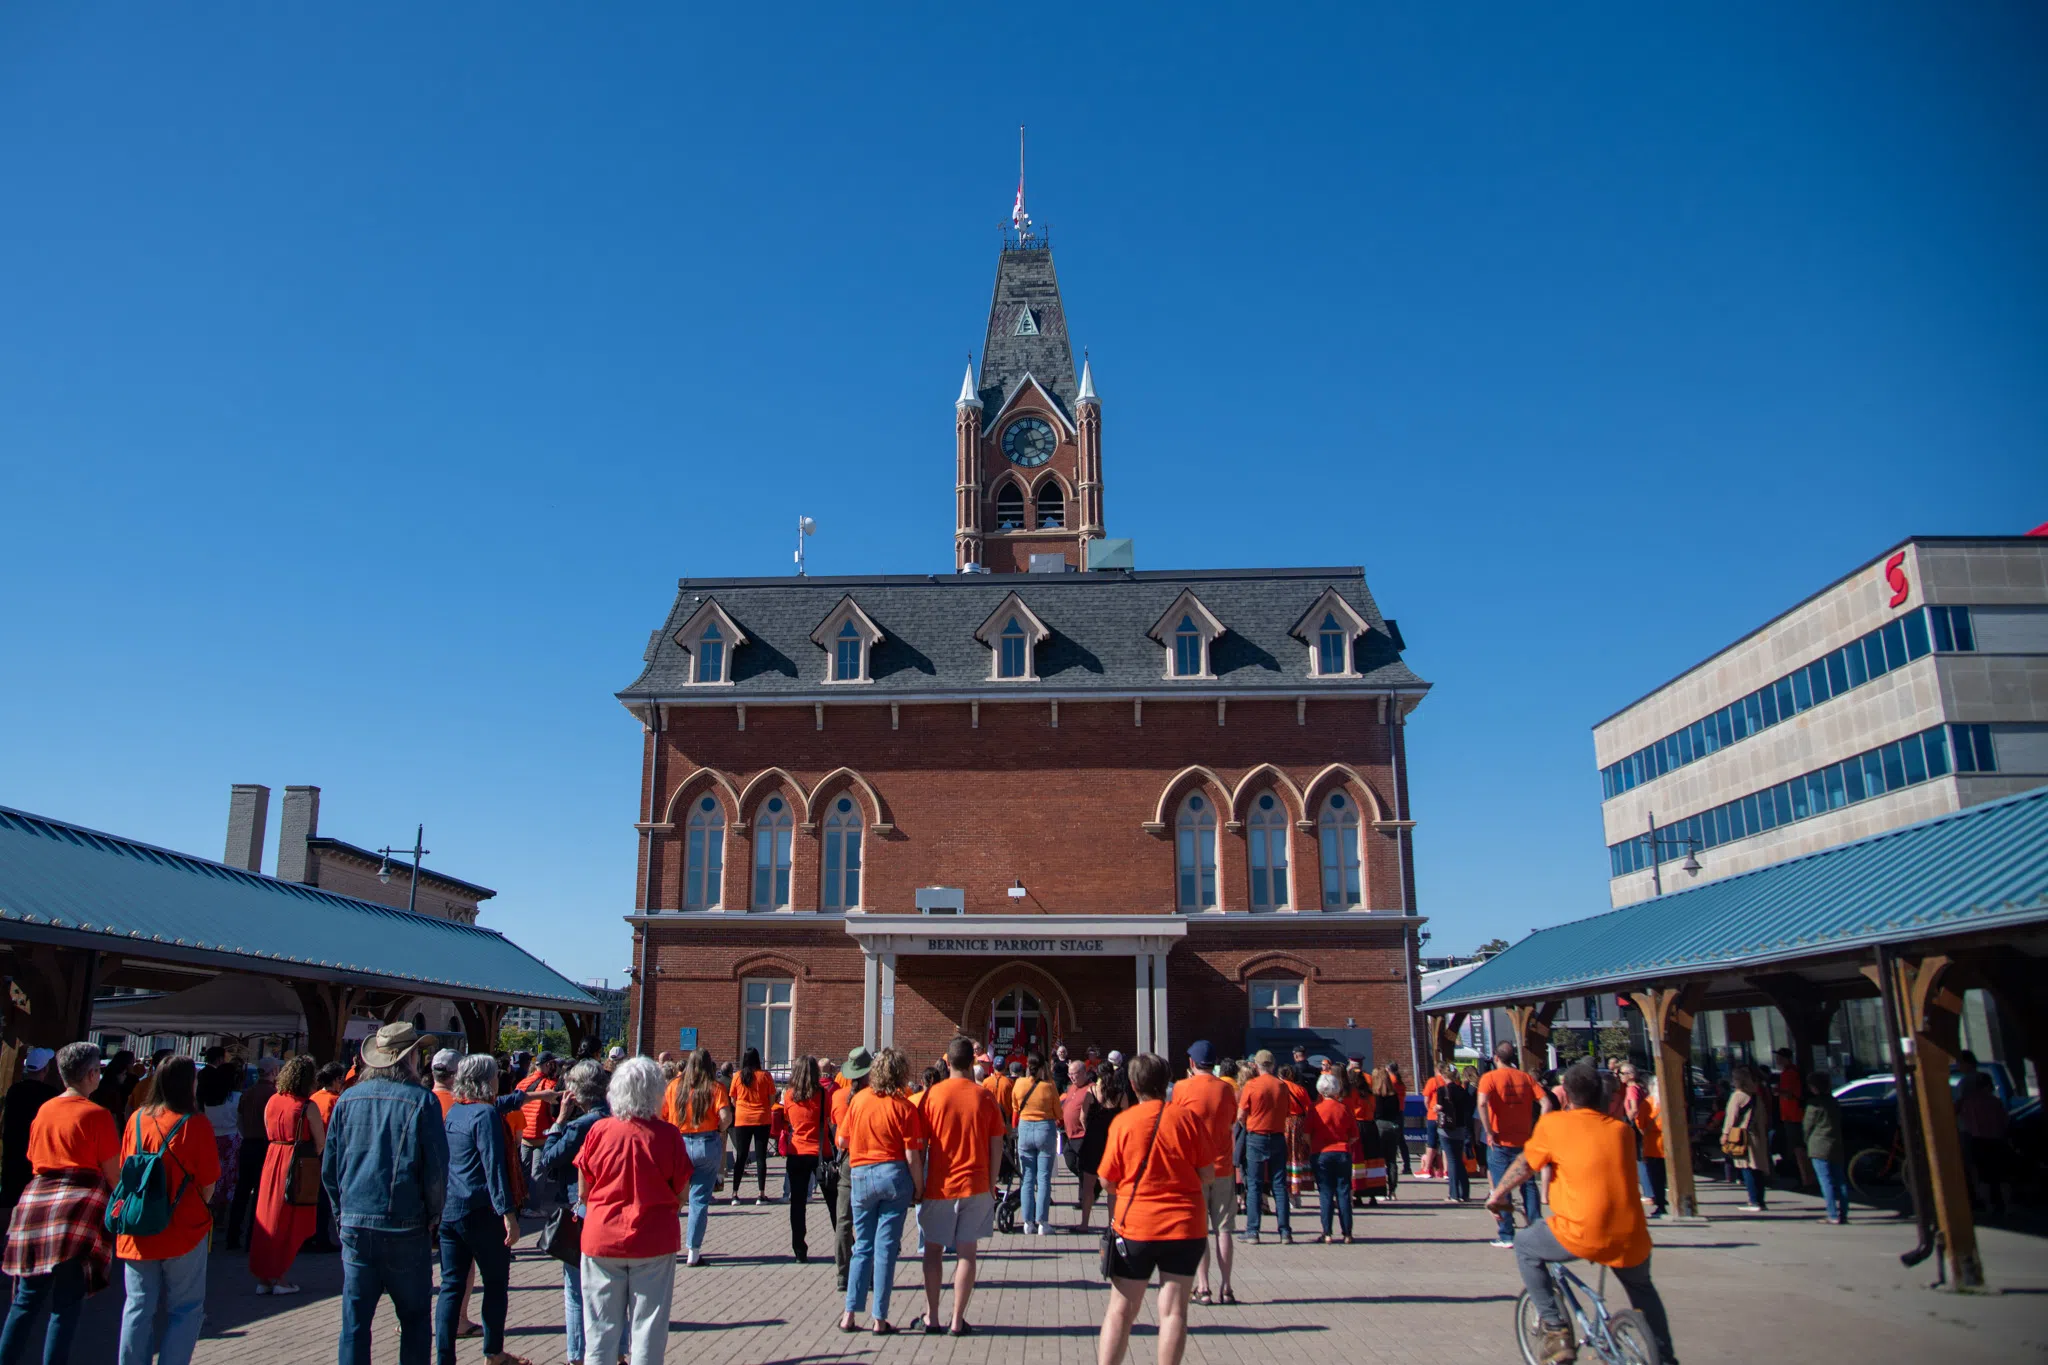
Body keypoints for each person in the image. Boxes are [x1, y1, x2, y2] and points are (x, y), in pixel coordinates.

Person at [1487, 1063, 1676, 1365]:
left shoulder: (1556, 1125)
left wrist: (1497, 1194)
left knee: (1524, 1245)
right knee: (1642, 1290)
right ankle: (1664, 1357)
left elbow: (1526, 1164)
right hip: (1631, 1235)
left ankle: (1555, 1329)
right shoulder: (1622, 1132)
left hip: (1581, 1231)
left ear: (1568, 1098)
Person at [322, 1022, 449, 1365]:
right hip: (405, 1222)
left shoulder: (348, 1099)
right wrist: (433, 1218)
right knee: (414, 1318)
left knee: (355, 1321)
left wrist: (341, 1213)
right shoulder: (422, 1102)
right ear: (410, 1058)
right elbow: (436, 1170)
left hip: (356, 1221)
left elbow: (330, 1168)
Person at [1095, 1053, 1220, 1365]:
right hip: (1185, 1226)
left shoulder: (1124, 1122)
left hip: (1136, 1226)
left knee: (1121, 1311)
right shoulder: (1187, 1119)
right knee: (1175, 1311)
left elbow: (1106, 1180)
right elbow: (1208, 1173)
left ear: (1134, 1085)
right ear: (1167, 1083)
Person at [0, 1041, 119, 1365]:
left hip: (35, 1206)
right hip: (76, 1213)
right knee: (65, 1306)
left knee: (25, 1302)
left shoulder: (45, 1110)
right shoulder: (97, 1115)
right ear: (92, 1074)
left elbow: (33, 1158)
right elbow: (113, 1174)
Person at [576, 1057, 689, 1365]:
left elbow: (584, 1190)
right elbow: (682, 1194)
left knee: (599, 1330)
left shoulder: (599, 1131)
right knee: (649, 1329)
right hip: (653, 1238)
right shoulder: (668, 1135)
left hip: (601, 1238)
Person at [113, 1055, 220, 1365]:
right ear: (189, 1084)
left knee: (137, 1307)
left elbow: (124, 1170)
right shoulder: (195, 1123)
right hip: (182, 1227)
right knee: (185, 1308)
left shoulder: (135, 1119)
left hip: (137, 1225)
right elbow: (209, 1183)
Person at [434, 1054, 527, 1365]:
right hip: (481, 1209)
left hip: (451, 1209)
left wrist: (531, 1095)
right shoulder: (484, 1115)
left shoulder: (456, 1111)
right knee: (496, 1283)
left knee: (451, 1286)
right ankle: (493, 1352)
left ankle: (445, 1356)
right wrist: (509, 1214)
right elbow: (493, 1168)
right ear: (487, 1081)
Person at [914, 1038, 1005, 1336]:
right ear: (971, 1064)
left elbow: (920, 1146)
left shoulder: (931, 1097)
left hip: (939, 1185)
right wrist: (992, 1183)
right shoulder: (985, 1097)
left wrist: (919, 1181)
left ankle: (933, 1317)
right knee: (967, 1253)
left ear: (948, 1062)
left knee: (932, 1251)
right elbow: (997, 1145)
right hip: (976, 1183)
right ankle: (957, 1320)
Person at [837, 1048, 926, 1336]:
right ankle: (879, 1317)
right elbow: (913, 1154)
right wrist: (919, 1187)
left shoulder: (859, 1100)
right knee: (886, 1249)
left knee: (861, 1245)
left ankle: (849, 1313)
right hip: (893, 1174)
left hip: (861, 1174)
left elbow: (841, 1140)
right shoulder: (905, 1107)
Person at [539, 1060, 609, 1365]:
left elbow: (549, 1159)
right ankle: (615, 1351)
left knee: (575, 1289)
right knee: (609, 1287)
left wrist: (559, 1122)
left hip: (579, 1205)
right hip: (608, 1206)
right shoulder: (613, 1118)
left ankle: (577, 1355)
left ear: (577, 1093)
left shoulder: (581, 1125)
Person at [1168, 1042, 1237, 1306]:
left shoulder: (1182, 1088)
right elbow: (1232, 1120)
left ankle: (1204, 1286)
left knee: (1199, 1229)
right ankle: (1227, 1287)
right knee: (1224, 1228)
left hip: (1194, 1167)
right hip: (1223, 1167)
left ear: (1193, 1063)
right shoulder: (1226, 1089)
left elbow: (1176, 1123)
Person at [249, 1055, 323, 1295]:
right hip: (296, 1163)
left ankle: (263, 1277)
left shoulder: (273, 1100)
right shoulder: (306, 1106)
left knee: (267, 1217)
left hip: (272, 1158)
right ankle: (279, 1277)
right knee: (288, 1220)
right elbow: (320, 1142)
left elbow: (266, 1128)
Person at [662, 1050, 729, 1267]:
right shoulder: (715, 1087)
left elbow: (662, 1115)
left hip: (678, 1142)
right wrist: (719, 1128)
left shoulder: (674, 1086)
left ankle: (668, 1248)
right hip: (706, 1142)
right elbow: (726, 1117)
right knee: (699, 1199)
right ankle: (694, 1250)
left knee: (673, 1198)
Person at [1477, 1043, 1542, 1247]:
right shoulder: (1526, 1077)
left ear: (1496, 1057)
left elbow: (1481, 1102)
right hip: (1523, 1138)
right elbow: (1546, 1102)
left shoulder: (1489, 1078)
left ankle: (1506, 1234)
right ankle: (1535, 1229)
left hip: (1499, 1139)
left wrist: (1488, 1130)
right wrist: (1541, 1128)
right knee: (1529, 1185)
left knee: (1501, 1186)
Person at [1236, 1050, 1294, 1244]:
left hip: (1256, 1136)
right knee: (1279, 1185)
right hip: (1277, 1136)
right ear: (1273, 1065)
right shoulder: (1282, 1086)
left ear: (1256, 1065)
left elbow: (1241, 1115)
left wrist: (1250, 1124)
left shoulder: (1252, 1085)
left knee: (1254, 1184)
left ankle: (1253, 1231)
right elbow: (1287, 1111)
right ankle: (1285, 1231)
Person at [224, 1057, 279, 1251]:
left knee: (242, 1190)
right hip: (264, 1145)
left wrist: (246, 1133)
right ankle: (252, 1237)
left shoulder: (247, 1094)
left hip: (248, 1143)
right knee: (259, 1193)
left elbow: (239, 1119)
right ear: (273, 1072)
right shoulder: (273, 1095)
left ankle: (233, 1235)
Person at [828, 1047, 870, 1293]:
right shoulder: (873, 1097)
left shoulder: (838, 1097)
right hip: (869, 1158)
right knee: (869, 1219)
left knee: (844, 1220)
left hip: (847, 1159)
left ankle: (842, 1274)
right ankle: (869, 1272)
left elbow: (838, 1133)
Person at [778, 1056, 826, 1262]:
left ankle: (799, 1248)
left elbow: (788, 1119)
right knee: (832, 1201)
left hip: (796, 1151)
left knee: (797, 1204)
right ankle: (846, 1245)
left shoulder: (789, 1095)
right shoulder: (821, 1094)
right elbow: (826, 1121)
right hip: (818, 1151)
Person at [0, 1049, 59, 1215]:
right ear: (45, 1070)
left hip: (13, 1149)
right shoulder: (50, 1094)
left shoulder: (14, 1090)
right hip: (37, 1152)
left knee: (10, 1196)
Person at [1011, 1053, 1059, 1236]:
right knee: (1044, 1177)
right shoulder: (1049, 1086)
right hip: (1044, 1128)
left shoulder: (1019, 1084)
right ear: (1041, 1068)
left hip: (1024, 1128)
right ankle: (1043, 1222)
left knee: (1027, 1177)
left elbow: (1015, 1106)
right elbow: (1058, 1112)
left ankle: (1027, 1222)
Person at [1305, 1070, 1355, 1243]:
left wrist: (1313, 1146)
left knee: (1325, 1193)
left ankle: (1327, 1233)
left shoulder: (1315, 1110)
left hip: (1321, 1153)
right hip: (1342, 1152)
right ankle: (1347, 1233)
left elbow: (1306, 1134)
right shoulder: (1344, 1109)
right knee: (1343, 1192)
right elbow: (1354, 1135)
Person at [513, 1055, 563, 1218]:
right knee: (538, 1172)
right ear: (548, 1065)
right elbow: (555, 1105)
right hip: (542, 1133)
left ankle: (520, 1203)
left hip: (524, 1133)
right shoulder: (549, 1085)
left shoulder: (523, 1083)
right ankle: (533, 1207)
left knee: (524, 1171)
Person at [1078, 1063, 1126, 1230]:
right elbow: (1126, 1119)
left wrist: (1090, 1130)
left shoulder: (1090, 1093)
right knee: (1113, 1188)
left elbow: (1082, 1117)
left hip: (1093, 1142)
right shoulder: (1121, 1095)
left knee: (1088, 1185)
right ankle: (1112, 1224)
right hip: (1112, 1142)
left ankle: (1084, 1223)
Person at [1956, 1071, 2010, 1218]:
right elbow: (2004, 1121)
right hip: (1997, 1140)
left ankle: (1989, 1206)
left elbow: (1965, 1122)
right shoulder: (1995, 1102)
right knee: (2000, 1175)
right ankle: (2004, 1205)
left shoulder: (1968, 1103)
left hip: (1978, 1140)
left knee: (1982, 1175)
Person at [727, 1047, 776, 1206]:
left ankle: (735, 1193)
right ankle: (761, 1194)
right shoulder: (765, 1076)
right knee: (761, 1157)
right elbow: (771, 1099)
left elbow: (733, 1100)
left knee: (741, 1156)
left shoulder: (737, 1076)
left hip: (742, 1118)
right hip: (762, 1118)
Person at [1722, 1066, 1770, 1212]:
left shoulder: (1737, 1096)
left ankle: (1753, 1201)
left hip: (1741, 1136)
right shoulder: (1755, 1096)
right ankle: (1760, 1200)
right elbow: (1763, 1118)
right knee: (1758, 1168)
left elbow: (1732, 1117)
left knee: (1746, 1167)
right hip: (1756, 1135)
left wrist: (1725, 1134)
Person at [1802, 1069, 1846, 1225]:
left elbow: (1807, 1126)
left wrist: (1806, 1140)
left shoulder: (1813, 1104)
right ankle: (1843, 1213)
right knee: (1840, 1180)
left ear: (1813, 1087)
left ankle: (1832, 1214)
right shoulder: (1834, 1102)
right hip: (1835, 1143)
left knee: (1825, 1180)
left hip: (1818, 1144)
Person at [1437, 1066, 1475, 1203]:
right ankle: (1464, 1193)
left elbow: (1439, 1107)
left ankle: (1454, 1194)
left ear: (1444, 1076)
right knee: (1458, 1159)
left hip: (1446, 1129)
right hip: (1460, 1128)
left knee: (1452, 1160)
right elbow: (1468, 1108)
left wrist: (1437, 1108)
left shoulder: (1442, 1090)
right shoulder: (1462, 1091)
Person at [1371, 1066, 1404, 1199]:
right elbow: (1397, 1112)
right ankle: (1392, 1190)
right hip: (1393, 1126)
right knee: (1391, 1160)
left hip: (1379, 1126)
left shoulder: (1375, 1095)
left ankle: (1381, 1190)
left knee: (1379, 1160)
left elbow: (1376, 1113)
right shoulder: (1394, 1094)